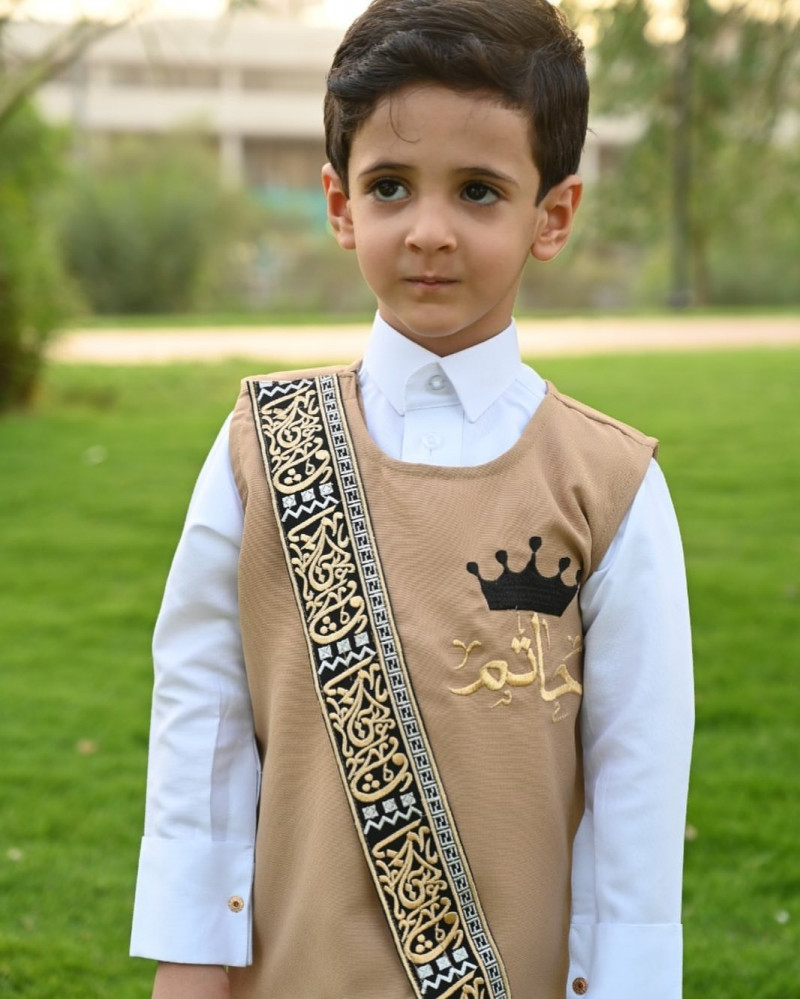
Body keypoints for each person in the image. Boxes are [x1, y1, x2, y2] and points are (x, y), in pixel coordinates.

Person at [130, 1, 694, 997]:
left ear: (552, 215)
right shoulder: (259, 448)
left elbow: (635, 793)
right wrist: (189, 955)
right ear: (339, 203)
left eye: (478, 191)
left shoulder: (609, 488)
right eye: (390, 186)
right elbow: (200, 722)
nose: (429, 231)